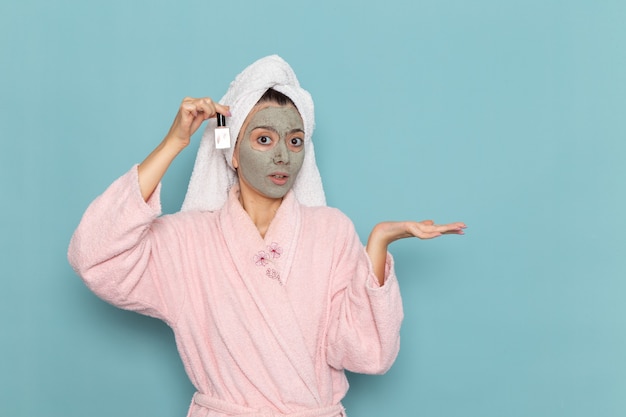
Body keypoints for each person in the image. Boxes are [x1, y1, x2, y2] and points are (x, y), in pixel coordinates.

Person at [68, 55, 465, 417]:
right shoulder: (188, 241)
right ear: (233, 152)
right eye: (263, 139)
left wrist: (378, 243)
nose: (283, 156)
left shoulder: (331, 230)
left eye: (295, 141)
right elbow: (96, 256)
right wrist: (175, 142)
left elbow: (368, 352)